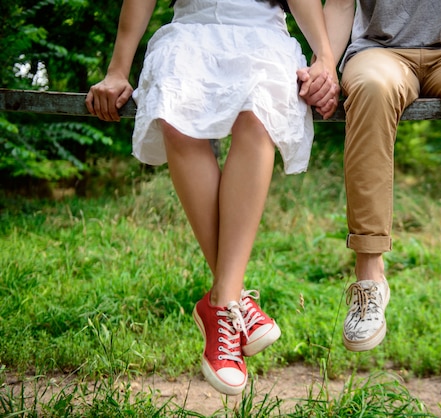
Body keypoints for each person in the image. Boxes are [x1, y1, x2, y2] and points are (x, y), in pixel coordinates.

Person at [86, 0, 338, 395]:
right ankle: (233, 300)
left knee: (257, 116)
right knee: (175, 116)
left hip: (263, 34)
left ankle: (221, 303)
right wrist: (117, 70)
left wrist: (325, 57)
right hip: (189, 29)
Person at [301, 0, 441, 352]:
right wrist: (326, 64)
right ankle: (369, 282)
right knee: (371, 90)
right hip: (379, 53)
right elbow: (343, 3)